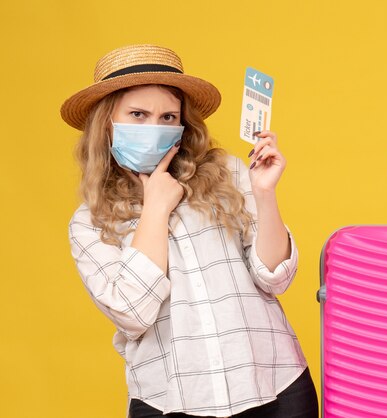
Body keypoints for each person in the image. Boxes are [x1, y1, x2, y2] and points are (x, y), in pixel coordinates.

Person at [61, 44, 318, 418]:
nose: (155, 128)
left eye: (168, 116)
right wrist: (156, 207)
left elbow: (275, 277)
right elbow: (132, 312)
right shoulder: (89, 221)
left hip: (274, 387)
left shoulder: (227, 173)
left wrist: (264, 194)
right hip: (171, 402)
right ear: (107, 123)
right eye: (138, 114)